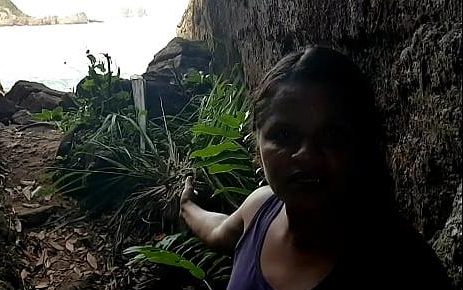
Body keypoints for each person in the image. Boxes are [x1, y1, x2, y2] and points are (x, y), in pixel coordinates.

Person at [180, 47, 453, 290]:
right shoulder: (260, 209)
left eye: (331, 136)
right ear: (257, 142)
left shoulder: (402, 264)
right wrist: (187, 205)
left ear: (361, 145)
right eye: (284, 135)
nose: (307, 157)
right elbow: (218, 230)